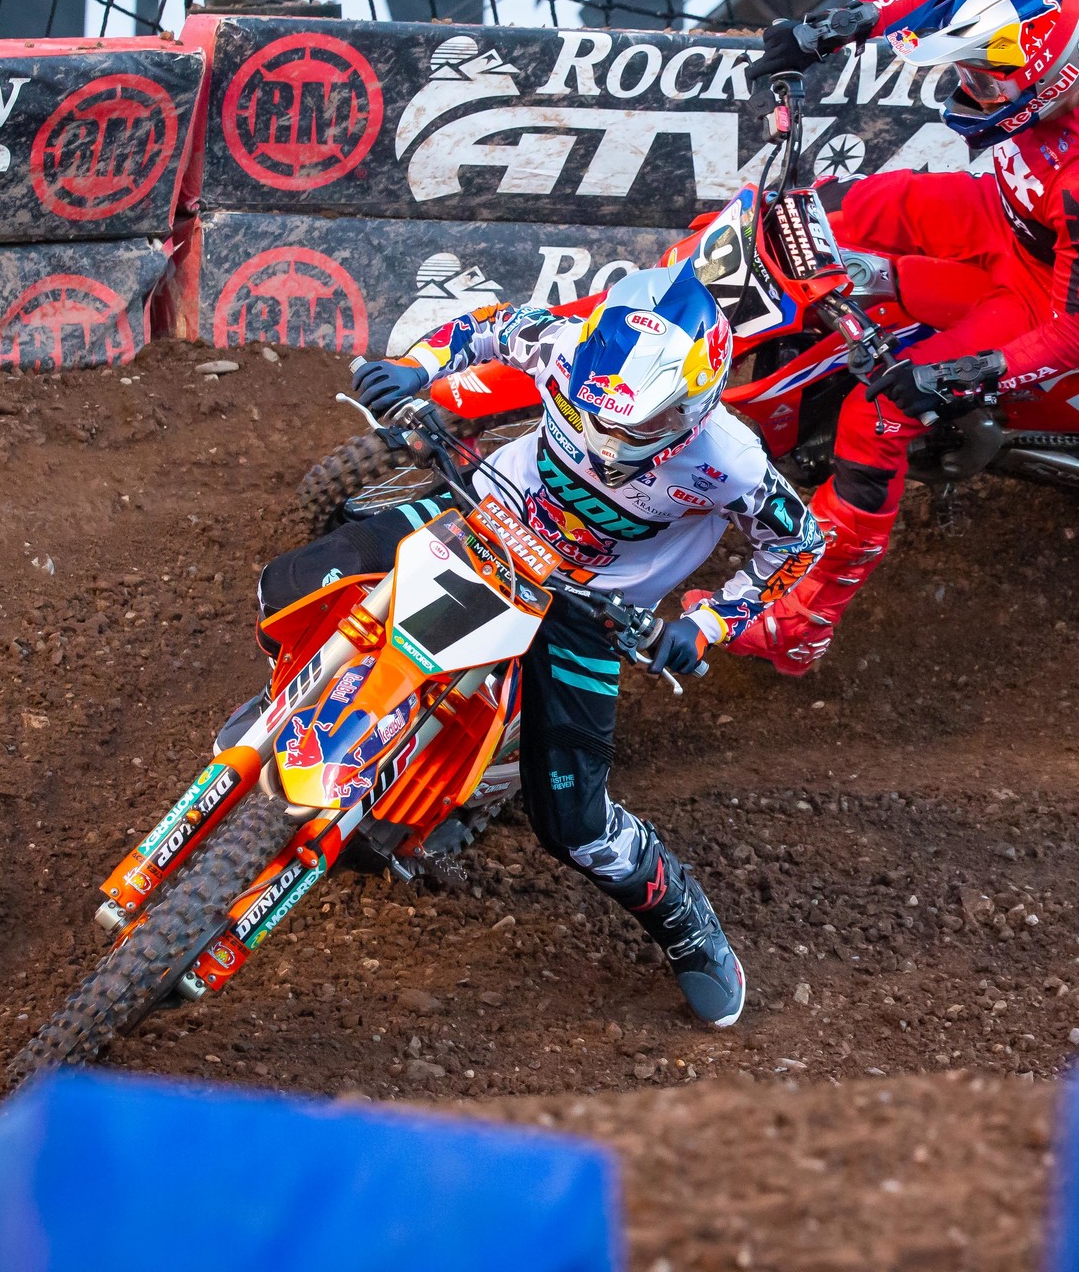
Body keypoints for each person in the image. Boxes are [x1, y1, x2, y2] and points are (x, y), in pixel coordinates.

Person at [255, 262, 824, 1029]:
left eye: (632, 430)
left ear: (692, 408)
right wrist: (412, 367)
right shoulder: (563, 343)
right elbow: (483, 326)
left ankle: (686, 925)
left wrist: (706, 624)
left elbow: (797, 545)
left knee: (576, 823)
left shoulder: (733, 462)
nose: (599, 439)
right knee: (289, 585)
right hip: (484, 518)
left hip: (589, 608)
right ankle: (300, 707)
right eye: (584, 409)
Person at [724, 0, 1079, 674]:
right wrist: (828, 31)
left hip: (1041, 293)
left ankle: (805, 621)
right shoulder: (1043, 1)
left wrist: (960, 378)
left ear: (1047, 82)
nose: (970, 85)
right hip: (1004, 216)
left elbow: (1078, 329)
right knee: (845, 205)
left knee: (879, 413)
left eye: (985, 80)